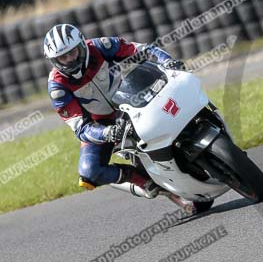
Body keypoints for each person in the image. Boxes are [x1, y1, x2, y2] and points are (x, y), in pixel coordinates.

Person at [43, 23, 192, 208]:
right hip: (102, 122)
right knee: (88, 172)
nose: (70, 60)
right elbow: (80, 127)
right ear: (54, 61)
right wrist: (107, 133)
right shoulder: (57, 87)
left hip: (133, 97)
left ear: (82, 45)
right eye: (62, 58)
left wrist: (167, 61)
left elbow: (143, 51)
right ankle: (141, 180)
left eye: (72, 52)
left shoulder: (100, 46)